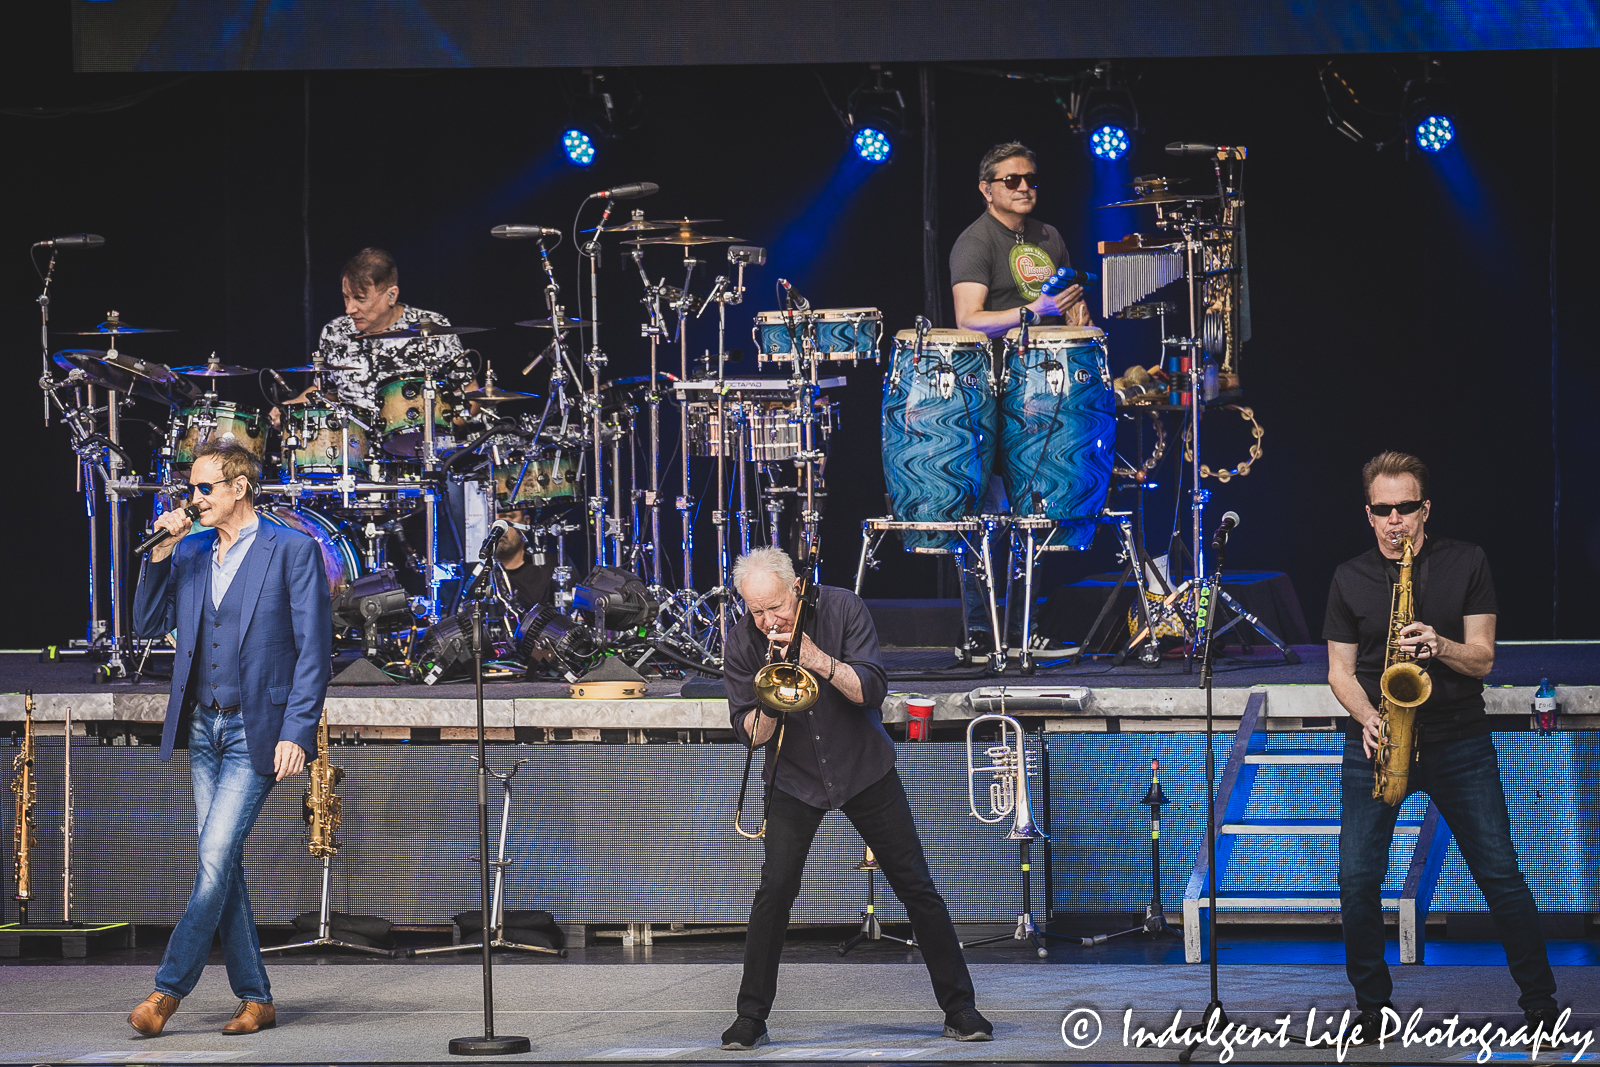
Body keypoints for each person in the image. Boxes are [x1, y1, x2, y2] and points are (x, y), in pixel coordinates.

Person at [718, 548, 991, 1051]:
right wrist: (772, 701)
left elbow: (872, 690)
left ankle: (960, 1008)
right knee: (773, 894)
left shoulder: (844, 608)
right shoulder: (742, 640)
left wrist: (816, 661)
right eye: (756, 611)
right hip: (793, 778)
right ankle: (750, 1018)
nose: (766, 620)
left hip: (863, 768)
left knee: (915, 885)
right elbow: (749, 733)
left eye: (774, 607)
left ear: (797, 585)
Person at [1324, 451, 1558, 1037]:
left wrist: (1440, 645)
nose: (1394, 520)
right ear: (1369, 513)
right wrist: (1369, 717)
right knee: (1356, 880)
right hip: (1381, 738)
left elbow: (1482, 659)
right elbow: (1338, 672)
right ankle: (1373, 1009)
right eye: (1383, 509)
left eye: (1406, 508)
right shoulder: (1349, 577)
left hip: (1459, 739)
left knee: (1499, 872)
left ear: (1425, 509)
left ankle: (1542, 1004)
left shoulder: (1466, 561)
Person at [128, 440, 332, 1037]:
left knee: (215, 858)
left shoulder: (291, 548)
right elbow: (145, 625)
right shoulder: (190, 551)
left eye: (204, 490)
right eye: (191, 490)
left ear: (239, 488)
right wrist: (160, 553)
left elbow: (314, 650)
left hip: (257, 729)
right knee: (224, 864)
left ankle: (166, 993)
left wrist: (299, 730)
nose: (193, 500)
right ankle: (257, 998)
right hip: (203, 725)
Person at [948, 142, 1092, 650]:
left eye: (1030, 178)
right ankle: (983, 638)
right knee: (988, 518)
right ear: (987, 189)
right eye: (1012, 180)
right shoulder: (975, 241)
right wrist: (1035, 310)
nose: (1025, 186)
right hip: (987, 391)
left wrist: (1082, 331)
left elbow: (1072, 308)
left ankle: (1025, 633)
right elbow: (968, 319)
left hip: (1042, 389)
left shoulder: (1049, 237)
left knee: (1036, 513)